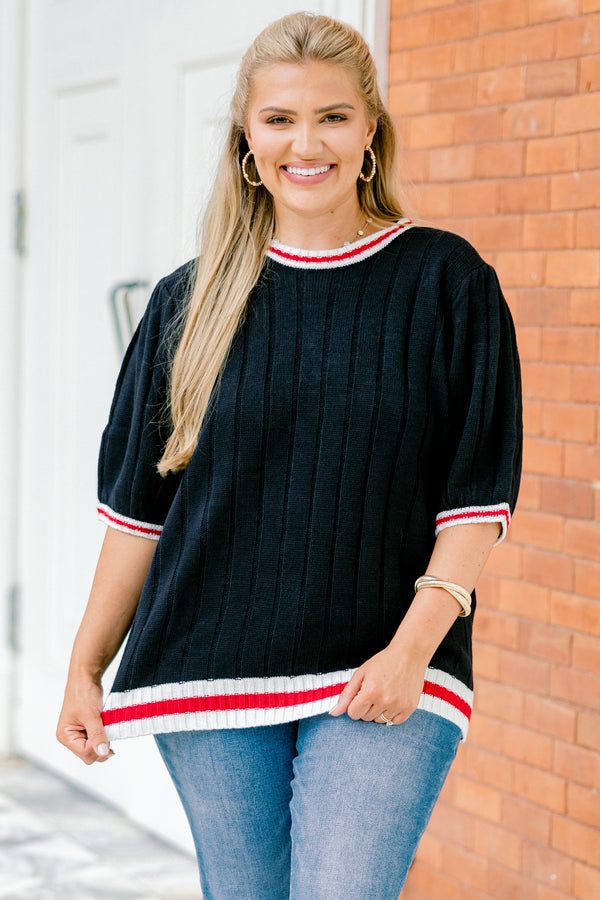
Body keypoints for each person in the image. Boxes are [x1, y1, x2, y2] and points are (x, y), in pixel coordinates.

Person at [57, 11, 522, 899]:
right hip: (209, 666)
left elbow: (478, 492)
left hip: (387, 661)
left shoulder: (446, 281)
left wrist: (414, 648)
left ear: (371, 134)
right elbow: (139, 516)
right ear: (246, 138)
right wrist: (85, 665)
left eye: (333, 117)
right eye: (279, 120)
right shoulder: (185, 305)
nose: (306, 143)